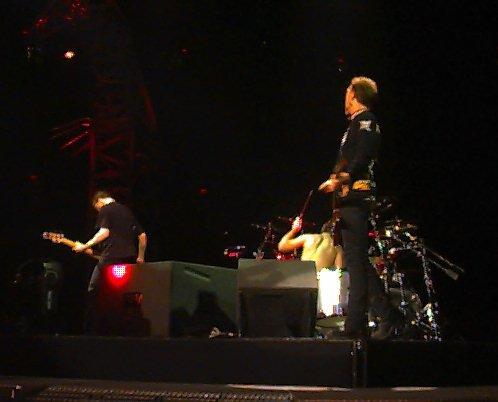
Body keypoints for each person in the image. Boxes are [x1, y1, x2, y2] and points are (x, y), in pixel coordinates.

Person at [318, 76, 398, 339]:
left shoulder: (366, 121)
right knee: (358, 261)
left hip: (357, 197)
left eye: (347, 91)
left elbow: (363, 155)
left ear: (354, 94)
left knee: (356, 262)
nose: (344, 96)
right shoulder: (354, 124)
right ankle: (387, 316)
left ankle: (356, 327)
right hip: (348, 200)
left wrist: (340, 179)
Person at [73, 190, 147, 333]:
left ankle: (92, 330)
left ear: (99, 201)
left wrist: (85, 246)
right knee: (122, 296)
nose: (98, 211)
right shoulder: (127, 211)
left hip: (110, 259)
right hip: (128, 261)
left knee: (94, 291)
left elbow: (104, 233)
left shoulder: (106, 209)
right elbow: (143, 236)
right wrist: (141, 257)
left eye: (97, 208)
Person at [278, 216, 346, 318]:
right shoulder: (337, 248)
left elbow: (282, 246)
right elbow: (338, 273)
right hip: (317, 288)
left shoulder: (308, 237)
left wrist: (294, 230)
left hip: (300, 280)